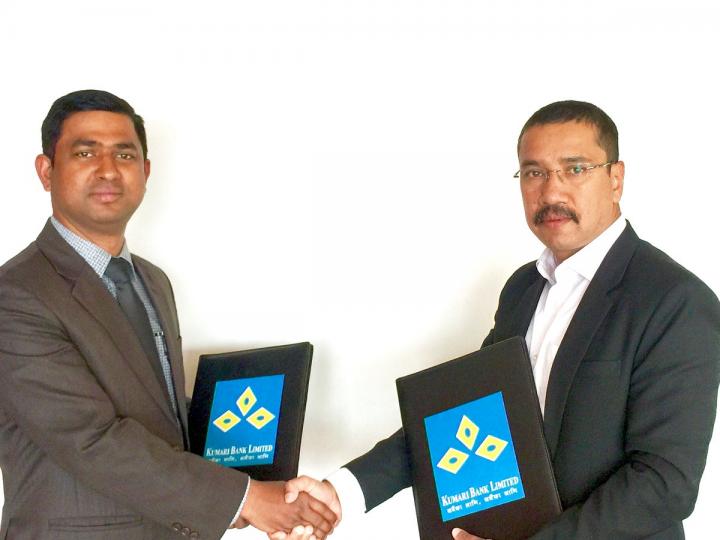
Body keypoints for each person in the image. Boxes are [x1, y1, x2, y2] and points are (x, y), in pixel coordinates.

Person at [276, 100, 720, 539]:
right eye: (534, 172)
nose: (552, 192)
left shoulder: (675, 301)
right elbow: (467, 418)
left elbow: (665, 483)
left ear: (616, 178)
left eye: (575, 169)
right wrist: (342, 492)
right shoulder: (523, 289)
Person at [0, 89, 336, 539]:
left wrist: (251, 462)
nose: (108, 169)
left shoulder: (152, 282)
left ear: (145, 172)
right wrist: (247, 498)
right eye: (85, 152)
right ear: (46, 171)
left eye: (124, 154)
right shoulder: (17, 294)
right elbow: (90, 439)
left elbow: (160, 418)